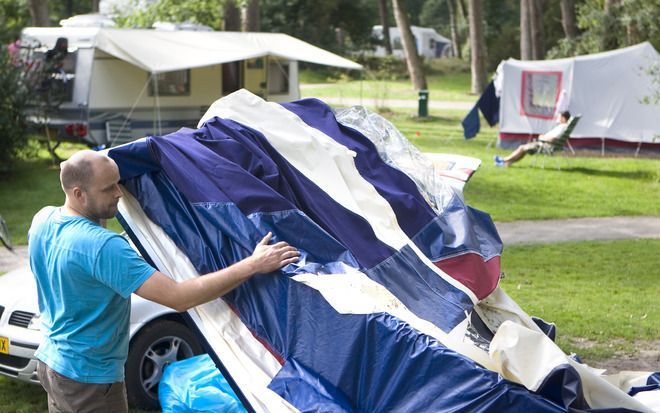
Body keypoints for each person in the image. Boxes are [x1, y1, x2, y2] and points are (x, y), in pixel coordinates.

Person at [28, 150, 300, 413]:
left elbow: (86, 230)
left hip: (53, 363)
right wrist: (253, 264)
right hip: (90, 379)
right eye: (108, 188)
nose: (119, 193)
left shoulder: (43, 220)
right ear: (78, 193)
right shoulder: (103, 248)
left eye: (117, 183)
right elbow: (180, 298)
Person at [494, 111, 571, 167]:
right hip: (544, 143)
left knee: (522, 148)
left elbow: (553, 139)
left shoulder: (562, 127)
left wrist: (543, 138)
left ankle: (503, 160)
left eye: (560, 117)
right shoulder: (563, 127)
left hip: (545, 144)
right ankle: (507, 163)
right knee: (523, 149)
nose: (558, 118)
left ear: (564, 118)